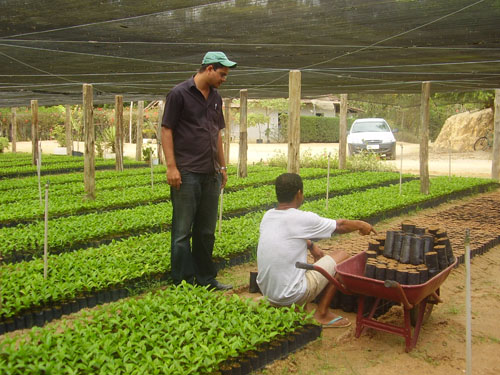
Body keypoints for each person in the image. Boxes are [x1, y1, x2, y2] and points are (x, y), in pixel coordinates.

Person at [256, 173, 377, 327]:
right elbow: (339, 226)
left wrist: (312, 246)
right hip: (291, 295)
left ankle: (283, 304)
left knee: (301, 262)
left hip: (267, 291)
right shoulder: (301, 218)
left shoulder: (268, 216)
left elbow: (287, 235)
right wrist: (361, 225)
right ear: (299, 194)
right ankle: (322, 313)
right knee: (343, 256)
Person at [161, 51, 237, 290]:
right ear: (210, 68)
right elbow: (166, 131)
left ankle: (205, 278)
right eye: (222, 74)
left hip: (210, 173)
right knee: (182, 231)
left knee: (206, 231)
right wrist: (171, 167)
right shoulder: (178, 94)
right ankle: (182, 282)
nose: (224, 79)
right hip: (187, 172)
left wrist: (222, 166)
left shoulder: (216, 98)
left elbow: (216, 134)